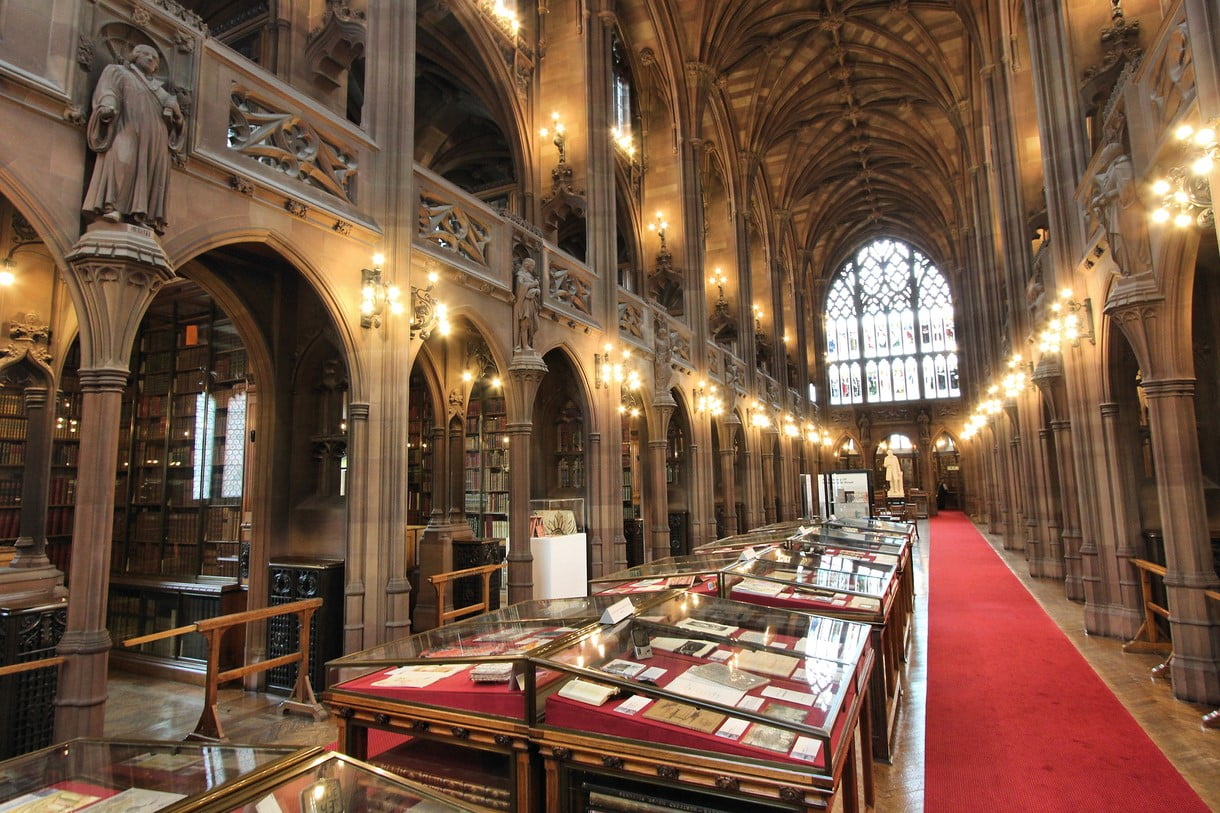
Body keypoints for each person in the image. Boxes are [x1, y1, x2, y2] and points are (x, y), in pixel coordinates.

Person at [83, 44, 185, 234]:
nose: (150, 58)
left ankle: (142, 216)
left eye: (154, 57)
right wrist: (107, 106)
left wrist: (178, 115)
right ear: (134, 56)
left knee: (149, 173)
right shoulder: (118, 72)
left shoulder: (159, 90)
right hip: (127, 127)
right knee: (122, 161)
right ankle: (114, 207)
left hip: (156, 141)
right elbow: (108, 91)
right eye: (145, 54)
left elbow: (177, 122)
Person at [514, 257, 541, 351]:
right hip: (525, 301)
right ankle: (524, 345)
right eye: (532, 265)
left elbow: (537, 288)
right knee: (525, 323)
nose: (533, 268)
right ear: (527, 265)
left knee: (535, 326)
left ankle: (528, 343)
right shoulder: (520, 274)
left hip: (533, 302)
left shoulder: (531, 276)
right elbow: (520, 287)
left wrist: (537, 291)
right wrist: (533, 285)